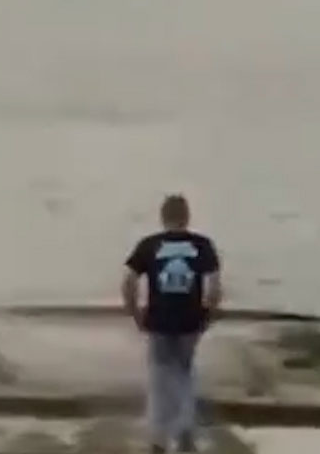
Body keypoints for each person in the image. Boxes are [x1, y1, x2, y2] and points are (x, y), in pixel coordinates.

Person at [122, 194, 222, 453]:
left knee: (159, 377)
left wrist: (135, 313)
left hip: (159, 320)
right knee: (185, 374)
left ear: (162, 217)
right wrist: (207, 316)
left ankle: (158, 438)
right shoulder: (203, 245)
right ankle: (185, 428)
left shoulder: (149, 245)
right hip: (190, 322)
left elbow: (128, 282)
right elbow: (214, 288)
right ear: (186, 217)